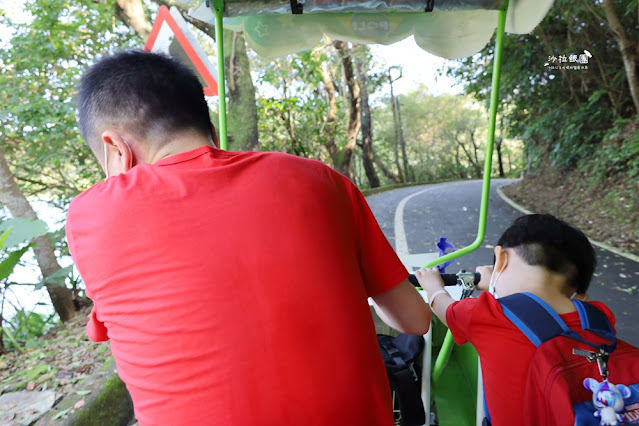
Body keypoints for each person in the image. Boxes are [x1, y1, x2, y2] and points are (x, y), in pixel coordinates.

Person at [66, 50, 431, 425]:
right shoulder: (319, 180)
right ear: (206, 126)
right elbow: (415, 321)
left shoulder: (90, 216)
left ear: (115, 149)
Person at [415, 213, 616, 426]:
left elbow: (444, 308)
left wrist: (432, 285)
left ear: (501, 260)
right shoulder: (600, 317)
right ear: (581, 295)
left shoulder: (487, 314)